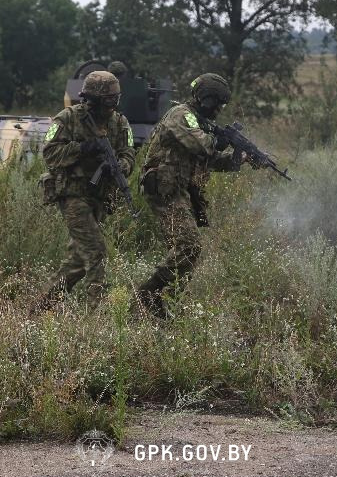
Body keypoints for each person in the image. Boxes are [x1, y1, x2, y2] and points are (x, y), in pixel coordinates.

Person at [136, 73, 244, 317]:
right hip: (164, 188)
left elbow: (212, 159)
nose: (219, 109)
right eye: (217, 103)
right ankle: (144, 297)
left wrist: (240, 158)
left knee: (185, 252)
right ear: (205, 100)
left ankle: (162, 304)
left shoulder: (199, 121)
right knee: (189, 247)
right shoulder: (182, 115)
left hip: (178, 189)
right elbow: (203, 145)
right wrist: (223, 140)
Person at [37, 70, 136, 308]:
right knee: (95, 251)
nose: (113, 104)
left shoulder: (120, 122)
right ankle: (95, 315)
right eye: (109, 99)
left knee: (78, 261)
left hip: (100, 196)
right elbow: (49, 154)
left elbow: (129, 153)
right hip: (72, 193)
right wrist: (83, 148)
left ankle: (40, 308)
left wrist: (122, 165)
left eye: (116, 99)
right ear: (93, 99)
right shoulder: (68, 118)